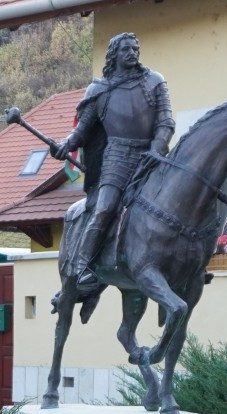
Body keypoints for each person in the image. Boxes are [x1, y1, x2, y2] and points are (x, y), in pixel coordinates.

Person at [51, 32, 174, 306]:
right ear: (114, 55)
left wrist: (157, 148)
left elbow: (166, 122)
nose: (133, 53)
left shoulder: (154, 82)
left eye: (135, 48)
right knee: (105, 208)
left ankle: (185, 264)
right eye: (126, 49)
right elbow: (82, 131)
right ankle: (84, 270)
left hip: (151, 156)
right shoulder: (100, 90)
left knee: (175, 204)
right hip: (117, 157)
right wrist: (64, 144)